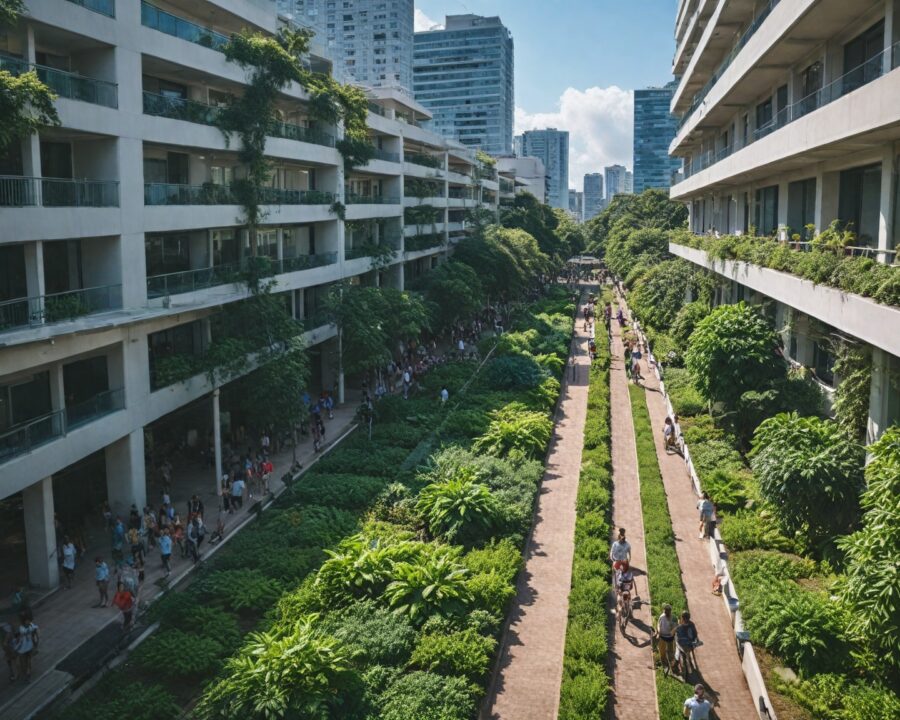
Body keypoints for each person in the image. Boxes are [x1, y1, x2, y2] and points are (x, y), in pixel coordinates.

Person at [14, 612, 38, 682]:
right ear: (24, 621)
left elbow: (35, 628)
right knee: (23, 662)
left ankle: (28, 674)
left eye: (29, 620)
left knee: (29, 661)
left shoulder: (31, 625)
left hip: (29, 646)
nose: (28, 622)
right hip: (22, 647)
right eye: (27, 620)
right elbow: (24, 632)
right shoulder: (22, 628)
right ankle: (25, 674)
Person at [657, 603, 677, 670]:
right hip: (662, 636)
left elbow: (676, 627)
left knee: (670, 652)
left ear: (670, 611)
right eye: (666, 611)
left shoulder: (674, 618)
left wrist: (673, 631)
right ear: (664, 611)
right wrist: (659, 631)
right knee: (662, 651)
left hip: (670, 637)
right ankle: (664, 663)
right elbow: (658, 624)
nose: (666, 612)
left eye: (668, 611)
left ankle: (672, 665)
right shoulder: (662, 616)